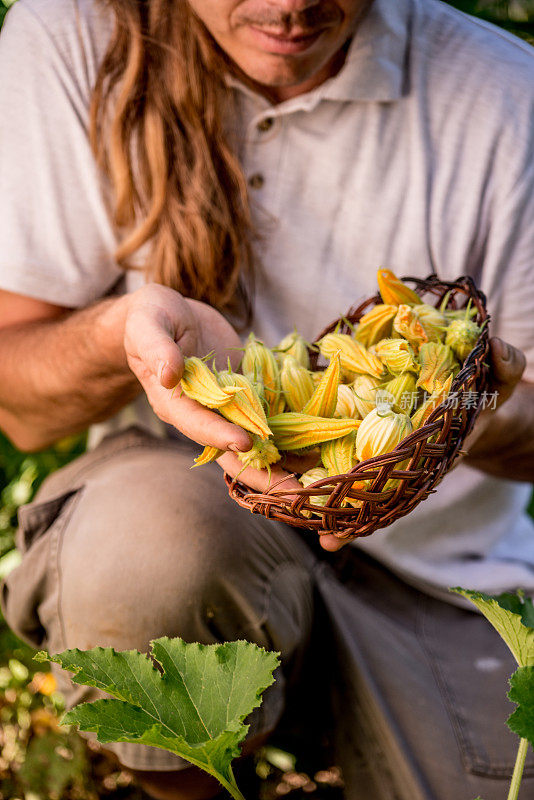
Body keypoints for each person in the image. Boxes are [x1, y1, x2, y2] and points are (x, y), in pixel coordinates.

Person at [0, 0, 533, 797]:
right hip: (199, 512)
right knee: (145, 564)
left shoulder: (504, 90)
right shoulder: (74, 34)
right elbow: (21, 405)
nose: (290, 4)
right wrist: (120, 334)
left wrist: (461, 415)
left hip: (437, 571)